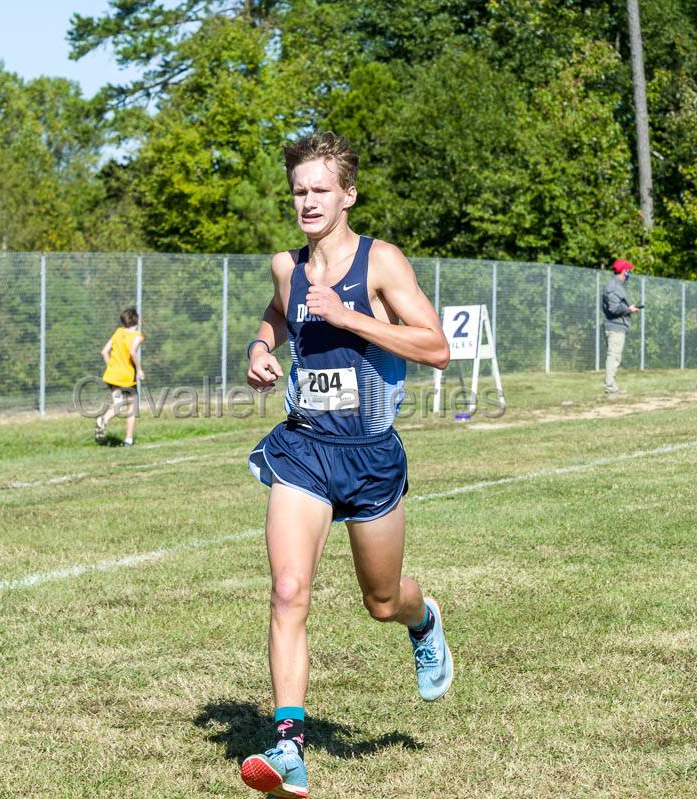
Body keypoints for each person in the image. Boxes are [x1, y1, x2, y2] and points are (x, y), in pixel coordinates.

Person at [239, 132, 453, 799]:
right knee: (288, 590)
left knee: (380, 599)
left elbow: (437, 347)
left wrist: (354, 317)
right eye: (299, 190)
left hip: (370, 455)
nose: (307, 201)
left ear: (348, 195)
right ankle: (289, 747)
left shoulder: (379, 261)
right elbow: (279, 311)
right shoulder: (287, 266)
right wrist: (260, 345)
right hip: (304, 446)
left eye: (320, 190)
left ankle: (423, 621)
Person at [95, 307, 144, 446]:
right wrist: (139, 370)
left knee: (118, 404)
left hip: (112, 375)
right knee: (132, 407)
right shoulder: (137, 336)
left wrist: (111, 367)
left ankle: (103, 419)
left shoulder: (118, 332)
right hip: (126, 376)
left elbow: (104, 352)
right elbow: (132, 352)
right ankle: (128, 440)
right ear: (137, 320)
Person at [602, 259, 641, 395]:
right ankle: (610, 388)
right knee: (614, 356)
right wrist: (629, 310)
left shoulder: (615, 285)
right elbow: (613, 308)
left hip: (616, 326)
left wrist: (629, 309)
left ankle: (612, 386)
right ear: (624, 271)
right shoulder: (614, 287)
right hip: (615, 327)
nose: (629, 272)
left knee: (614, 356)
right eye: (628, 270)